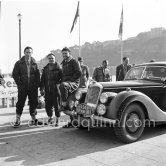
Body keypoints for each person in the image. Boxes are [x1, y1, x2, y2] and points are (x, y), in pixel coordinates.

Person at [12, 46, 41, 128]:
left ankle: (33, 119)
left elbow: (37, 75)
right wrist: (19, 84)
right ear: (24, 53)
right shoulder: (18, 63)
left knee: (33, 103)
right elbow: (15, 74)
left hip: (33, 87)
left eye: (30, 52)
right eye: (27, 52)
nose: (28, 54)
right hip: (23, 87)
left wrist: (36, 84)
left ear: (32, 53)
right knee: (20, 103)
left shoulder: (35, 63)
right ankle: (17, 120)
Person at [58, 47, 82, 127]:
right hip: (66, 84)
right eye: (63, 54)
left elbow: (79, 72)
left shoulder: (74, 61)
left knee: (68, 104)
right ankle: (72, 122)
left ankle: (63, 104)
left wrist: (71, 80)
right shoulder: (64, 63)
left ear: (69, 53)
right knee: (69, 106)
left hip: (73, 83)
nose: (64, 55)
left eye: (65, 53)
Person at [40, 53, 62, 126]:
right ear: (48, 59)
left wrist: (60, 86)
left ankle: (57, 120)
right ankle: (50, 118)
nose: (51, 59)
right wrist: (41, 89)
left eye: (52, 58)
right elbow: (42, 80)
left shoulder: (59, 68)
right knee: (48, 106)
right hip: (47, 90)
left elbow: (63, 78)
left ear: (55, 59)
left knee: (57, 106)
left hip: (56, 90)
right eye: (49, 58)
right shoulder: (45, 69)